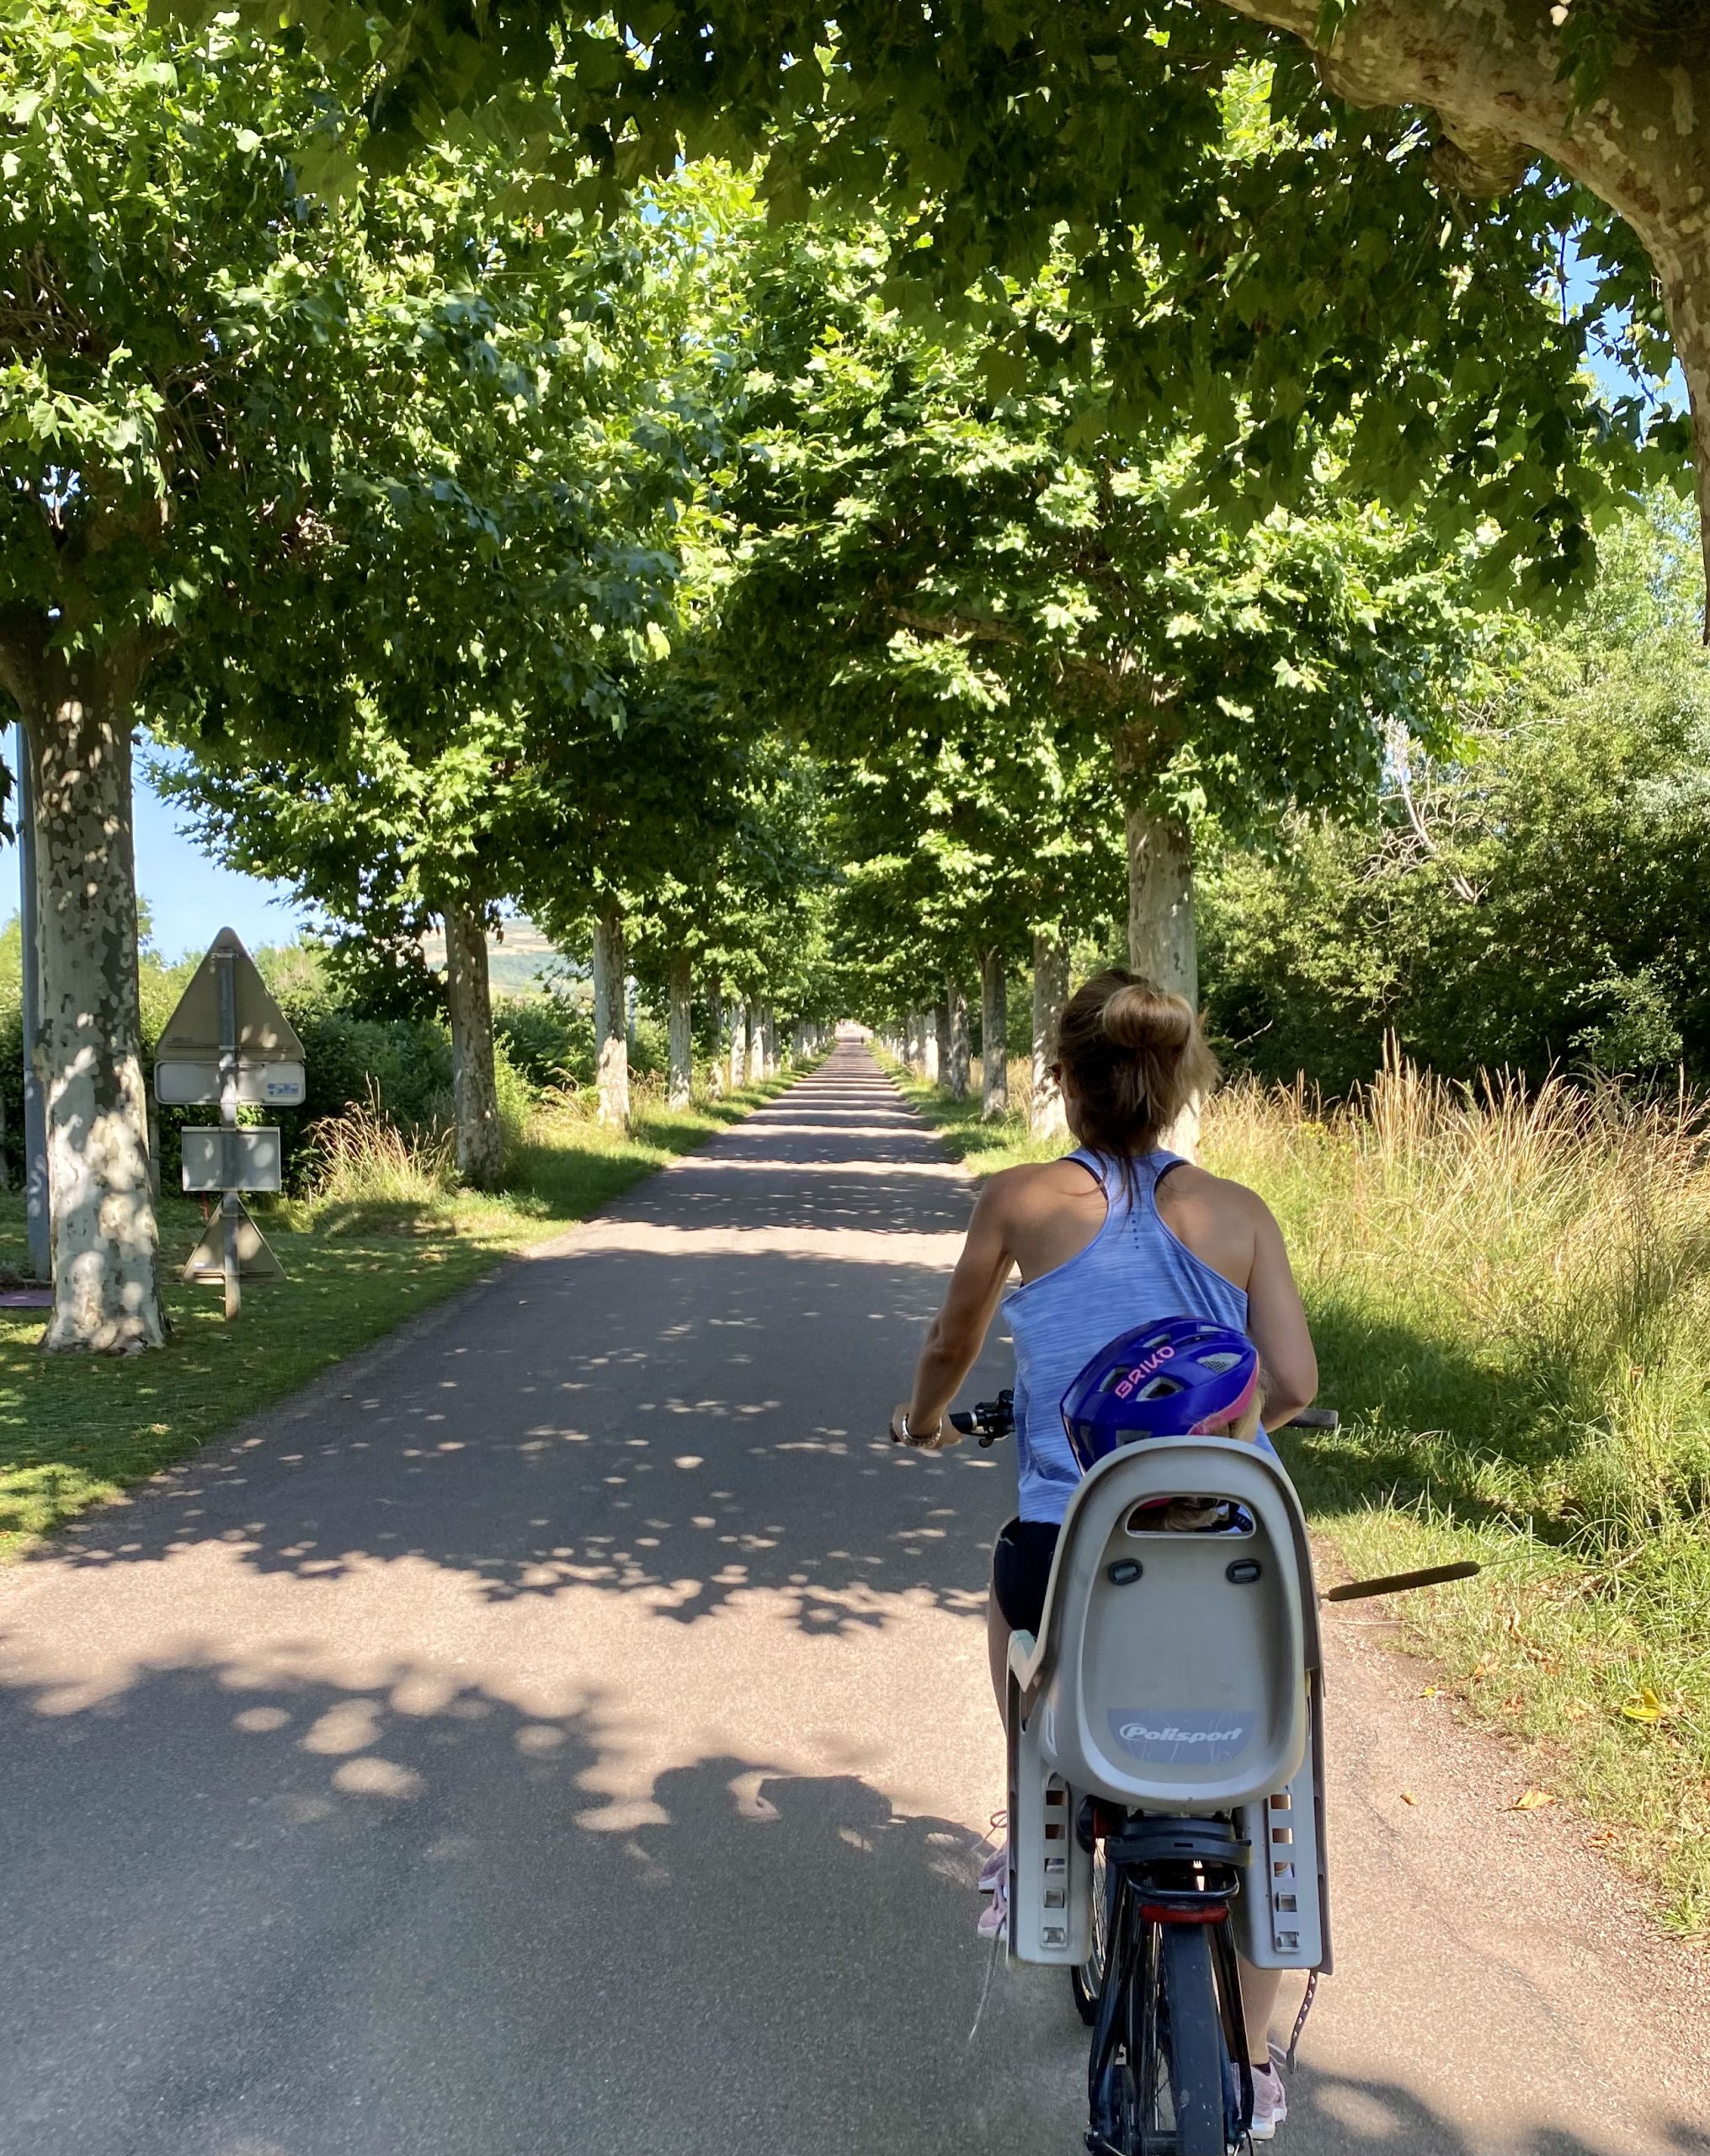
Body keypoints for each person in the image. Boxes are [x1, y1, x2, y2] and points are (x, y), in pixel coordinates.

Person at [889, 967, 1317, 2143]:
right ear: (1177, 1084)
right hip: (1233, 1543)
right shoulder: (1239, 1214)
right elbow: (1295, 1384)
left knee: (1011, 1600)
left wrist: (925, 1421)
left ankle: (1038, 1817)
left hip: (1071, 1541)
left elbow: (950, 1339)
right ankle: (1259, 2066)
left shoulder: (1020, 1200)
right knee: (1273, 1792)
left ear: (1065, 1079)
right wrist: (1217, 1427)